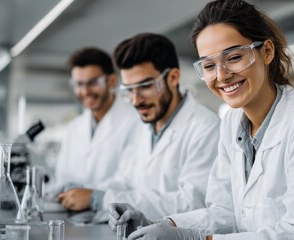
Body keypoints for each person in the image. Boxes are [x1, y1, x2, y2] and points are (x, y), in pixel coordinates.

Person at [108, 0, 294, 239]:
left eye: (234, 57)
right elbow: (224, 212)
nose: (222, 75)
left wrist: (193, 237)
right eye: (208, 66)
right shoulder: (232, 124)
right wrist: (162, 223)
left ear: (267, 52)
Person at [57, 33, 220, 219]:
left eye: (145, 86)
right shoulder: (144, 127)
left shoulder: (205, 128)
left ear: (173, 78)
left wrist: (100, 199)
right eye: (129, 90)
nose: (136, 100)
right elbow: (125, 181)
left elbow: (193, 202)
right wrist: (88, 193)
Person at [54, 47, 139, 208]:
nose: (85, 91)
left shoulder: (135, 121)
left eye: (93, 83)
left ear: (112, 81)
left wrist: (91, 195)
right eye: (79, 84)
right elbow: (62, 177)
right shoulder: (73, 128)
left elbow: (129, 180)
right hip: (74, 215)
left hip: (114, 214)